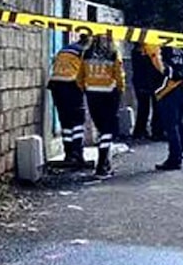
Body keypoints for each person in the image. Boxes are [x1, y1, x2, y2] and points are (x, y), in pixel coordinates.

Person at [78, 34, 126, 178]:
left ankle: (105, 163)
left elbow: (79, 76)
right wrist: (120, 89)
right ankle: (102, 165)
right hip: (109, 94)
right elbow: (119, 75)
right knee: (107, 130)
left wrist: (85, 88)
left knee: (100, 128)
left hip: (92, 94)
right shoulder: (112, 54)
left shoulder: (87, 53)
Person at [151, 43, 183, 171]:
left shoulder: (160, 49)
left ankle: (174, 159)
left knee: (171, 125)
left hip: (169, 90)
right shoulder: (180, 48)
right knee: (179, 124)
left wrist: (176, 76)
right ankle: (178, 155)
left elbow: (162, 68)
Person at [47, 34, 89, 168]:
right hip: (71, 84)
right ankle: (77, 153)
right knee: (77, 120)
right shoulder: (84, 52)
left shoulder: (64, 49)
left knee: (65, 121)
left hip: (56, 85)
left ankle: (69, 153)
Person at [130, 41, 164, 141]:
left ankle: (140, 131)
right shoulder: (150, 49)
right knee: (155, 107)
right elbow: (156, 64)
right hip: (152, 81)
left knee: (144, 108)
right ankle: (156, 132)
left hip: (141, 81)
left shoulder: (136, 51)